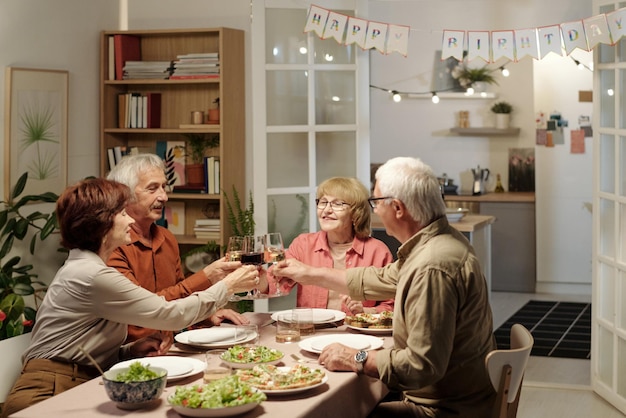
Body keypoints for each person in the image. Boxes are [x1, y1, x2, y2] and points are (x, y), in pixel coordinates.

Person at [1, 178, 261, 418]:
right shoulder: (92, 274)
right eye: (123, 213)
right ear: (102, 222)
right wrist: (227, 286)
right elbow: (170, 314)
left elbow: (82, 344)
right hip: (46, 393)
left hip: (75, 382)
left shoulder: (89, 268)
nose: (130, 221)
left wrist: (128, 351)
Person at [273, 157, 496, 418]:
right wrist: (308, 273)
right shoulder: (437, 244)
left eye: (377, 202)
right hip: (456, 397)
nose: (375, 210)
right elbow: (377, 279)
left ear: (398, 208)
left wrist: (356, 358)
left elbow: (420, 366)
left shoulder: (431, 266)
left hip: (442, 409)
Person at [106, 153, 248, 343]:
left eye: (164, 187)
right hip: (134, 354)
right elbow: (145, 310)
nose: (163, 197)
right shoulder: (113, 247)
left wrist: (205, 317)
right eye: (152, 189)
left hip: (171, 346)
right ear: (126, 195)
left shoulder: (167, 238)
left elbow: (180, 301)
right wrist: (207, 275)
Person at [265, 177, 394, 315]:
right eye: (323, 202)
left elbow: (391, 307)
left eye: (337, 204)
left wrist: (364, 311)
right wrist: (257, 277)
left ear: (356, 213)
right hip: (311, 332)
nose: (326, 210)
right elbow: (273, 283)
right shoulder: (303, 244)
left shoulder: (378, 251)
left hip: (356, 333)